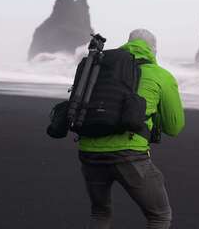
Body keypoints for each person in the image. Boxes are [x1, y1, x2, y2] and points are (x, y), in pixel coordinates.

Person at [78, 28, 185, 229]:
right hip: (129, 156)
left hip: (88, 152)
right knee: (159, 216)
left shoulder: (100, 68)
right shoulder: (160, 75)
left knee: (100, 212)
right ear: (154, 50)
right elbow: (174, 127)